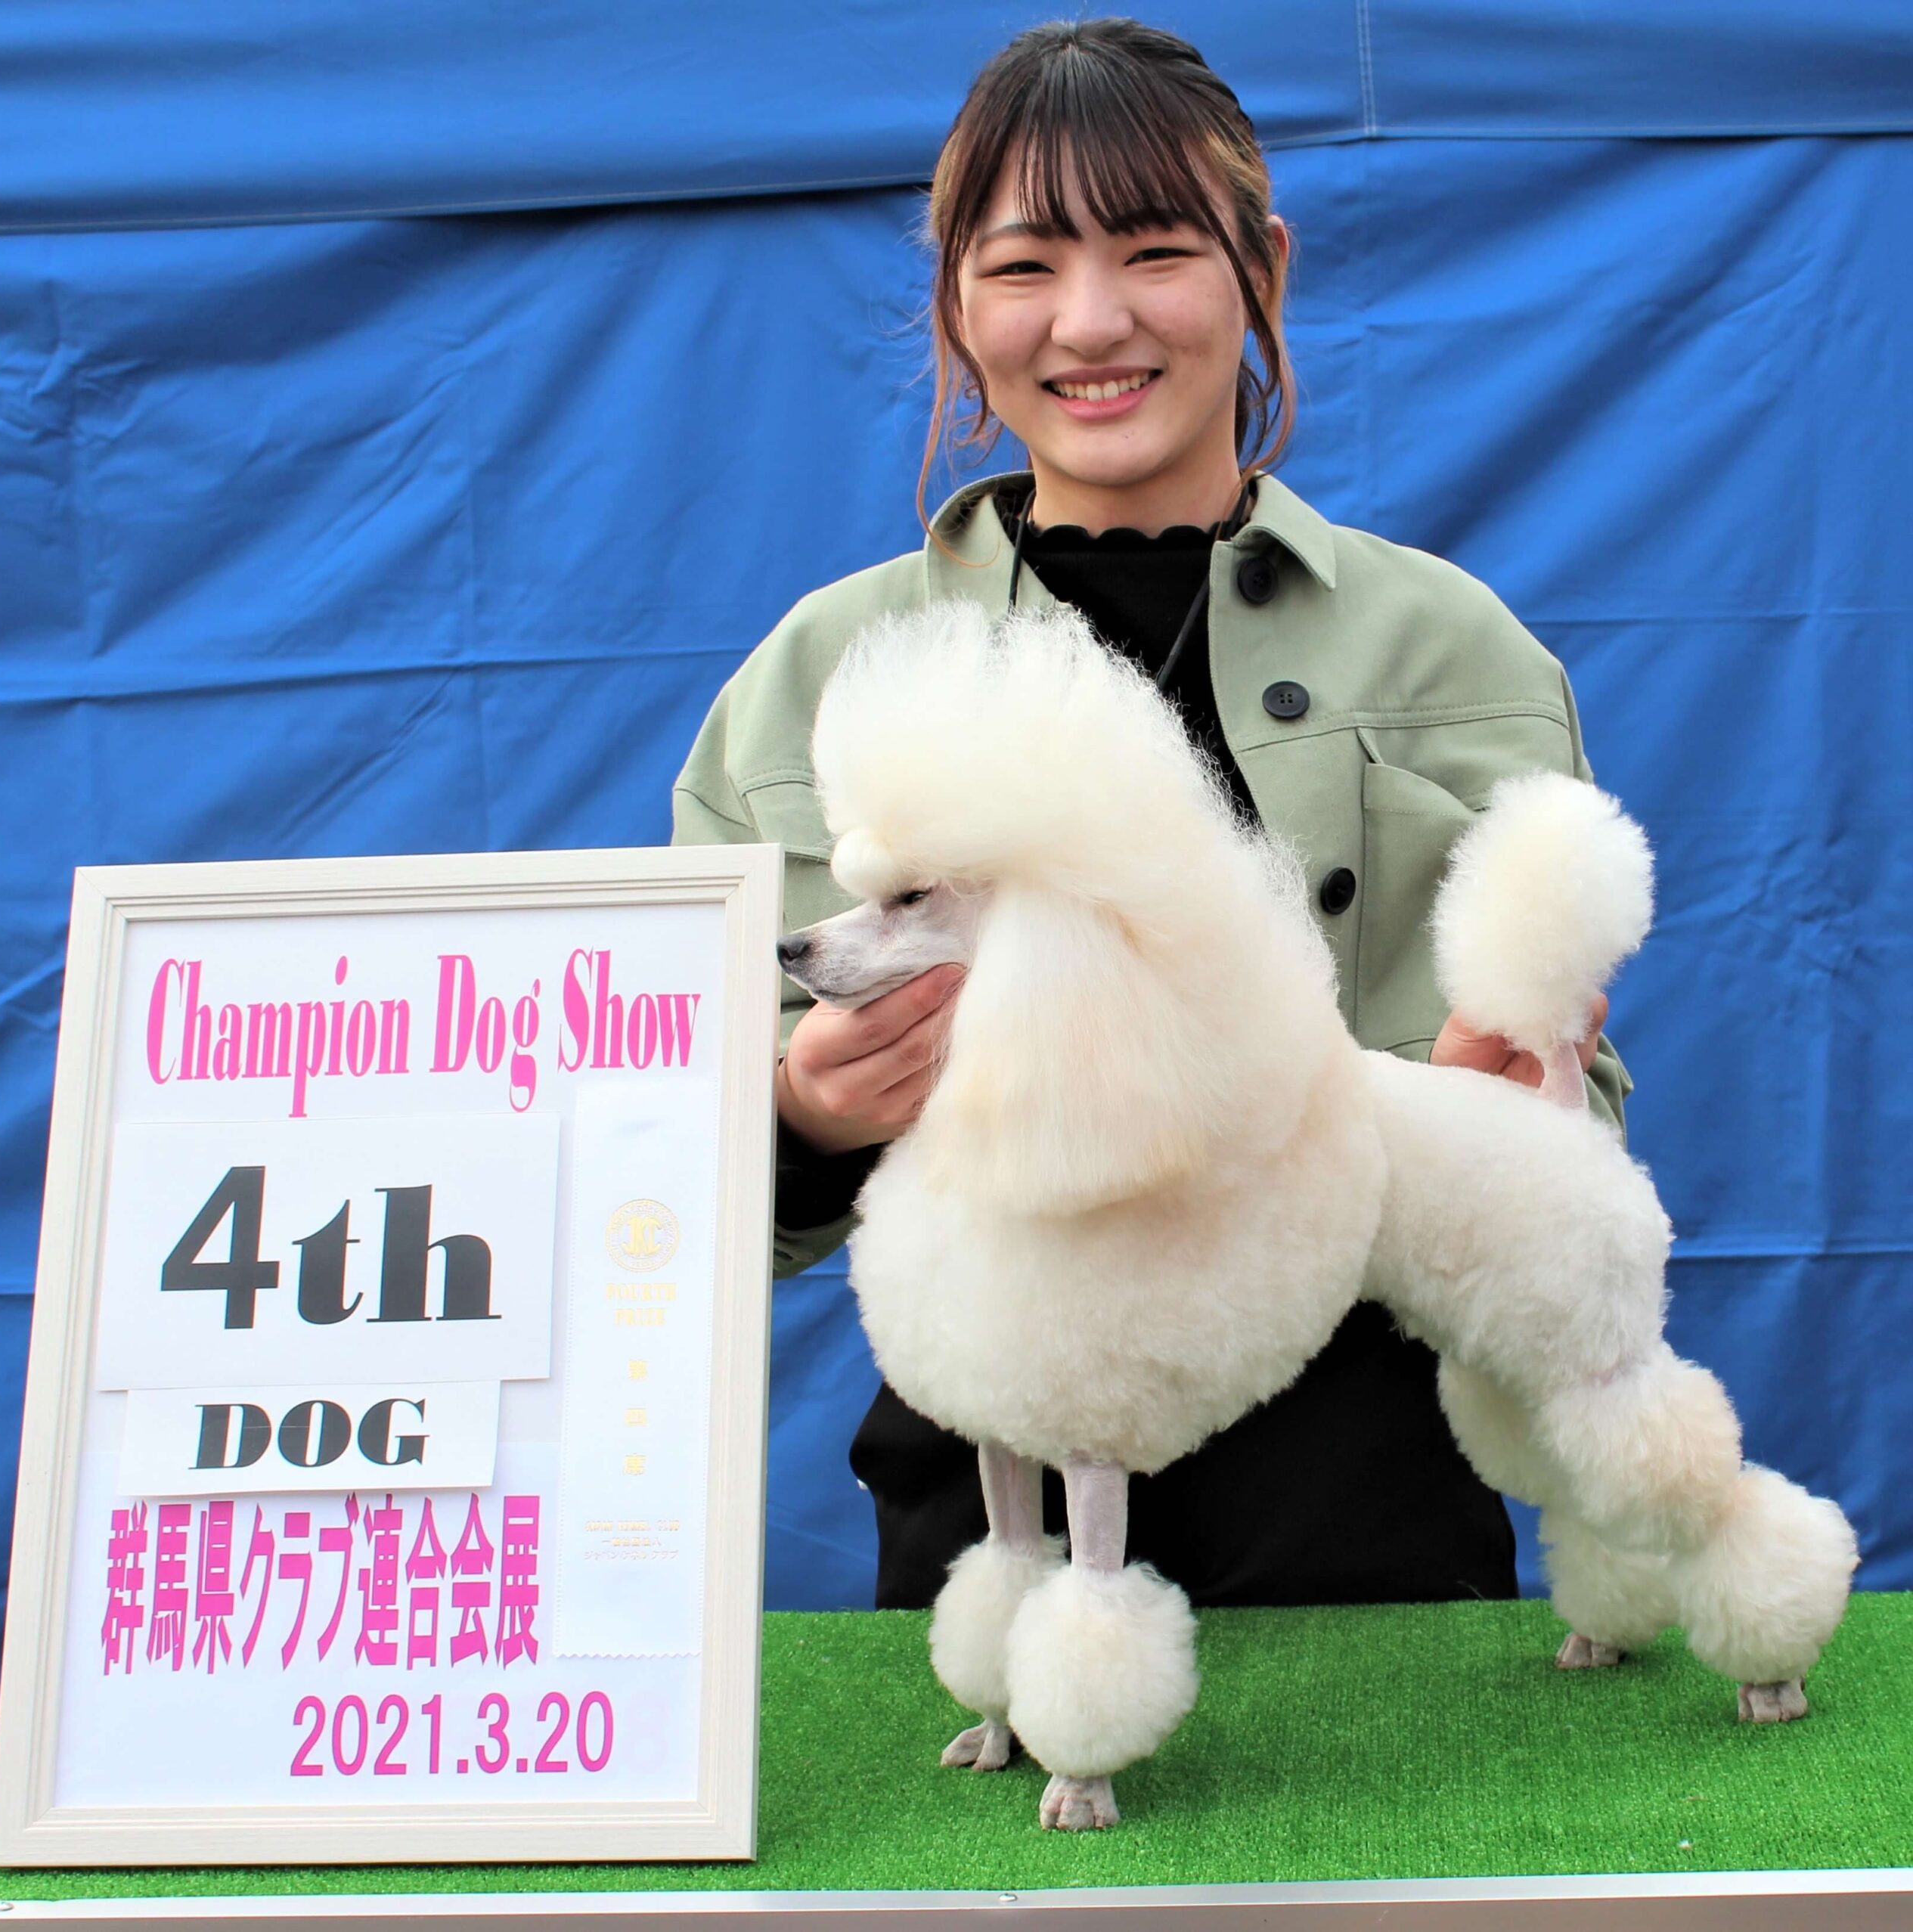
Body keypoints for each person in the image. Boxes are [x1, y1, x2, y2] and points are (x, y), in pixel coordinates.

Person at [671, 17, 1629, 1613]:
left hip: (1368, 1514)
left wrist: (1515, 1093)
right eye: (1024, 265)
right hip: (988, 1509)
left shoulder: (1453, 648)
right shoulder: (822, 678)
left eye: (1155, 251)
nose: (1091, 320)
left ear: (1261, 270)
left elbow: (1574, 1100)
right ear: (955, 303)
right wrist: (806, 1118)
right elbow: (670, 1164)